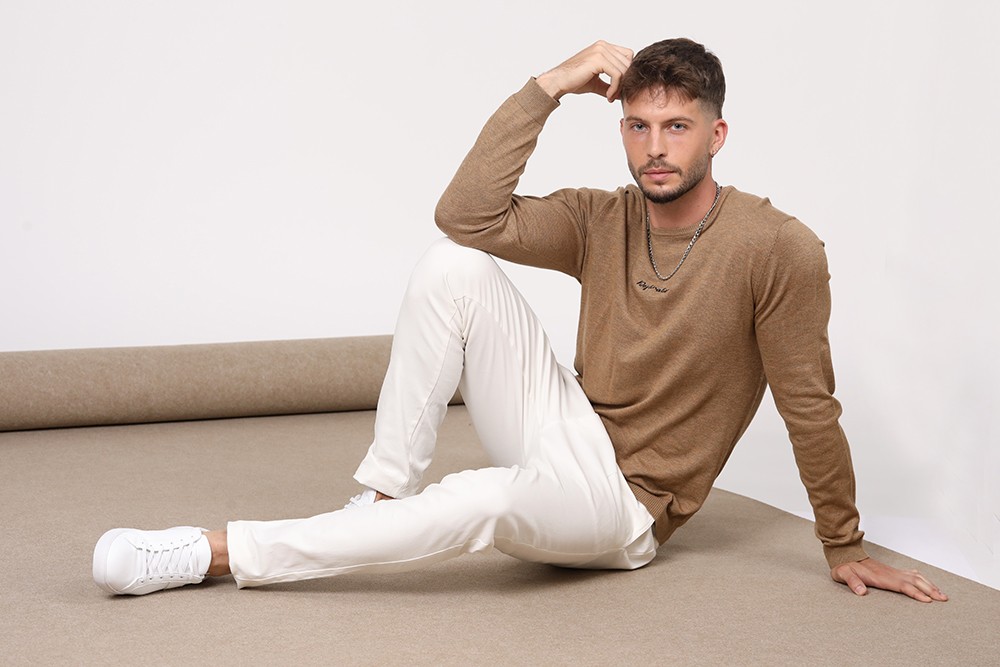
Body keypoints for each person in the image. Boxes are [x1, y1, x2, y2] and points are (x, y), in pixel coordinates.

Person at [92, 38, 947, 603]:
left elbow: (808, 403)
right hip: (567, 427)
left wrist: (843, 542)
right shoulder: (600, 217)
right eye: (638, 126)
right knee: (454, 265)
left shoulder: (778, 248)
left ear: (717, 134)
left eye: (677, 127)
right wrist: (549, 86)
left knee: (483, 495)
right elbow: (464, 216)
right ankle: (380, 495)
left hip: (625, 508)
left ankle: (215, 551)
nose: (655, 147)